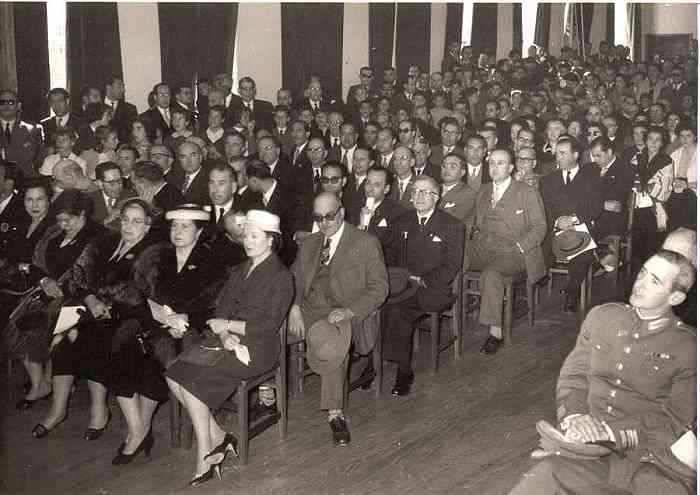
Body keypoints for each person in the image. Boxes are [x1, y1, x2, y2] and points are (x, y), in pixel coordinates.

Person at [509, 249, 696, 495]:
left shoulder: (688, 347)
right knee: (539, 479)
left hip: (649, 460)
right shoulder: (602, 317)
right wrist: (575, 416)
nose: (640, 284)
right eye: (642, 273)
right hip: (589, 452)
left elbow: (673, 420)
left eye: (655, 281)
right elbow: (574, 376)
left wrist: (609, 432)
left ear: (675, 297)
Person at [165, 210, 293, 486]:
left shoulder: (281, 276)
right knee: (174, 373)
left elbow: (267, 326)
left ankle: (205, 453)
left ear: (271, 240)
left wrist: (229, 326)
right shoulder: (240, 270)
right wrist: (224, 334)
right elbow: (221, 307)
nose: (248, 242)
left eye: (255, 236)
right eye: (245, 236)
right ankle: (220, 436)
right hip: (224, 340)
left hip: (258, 348)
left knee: (192, 383)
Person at [110, 205, 226, 466]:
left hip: (193, 329)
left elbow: (215, 306)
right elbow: (135, 295)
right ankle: (137, 429)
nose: (178, 231)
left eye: (185, 226)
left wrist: (185, 319)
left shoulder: (210, 261)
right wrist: (157, 319)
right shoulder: (157, 256)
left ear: (199, 232)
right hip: (155, 324)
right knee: (122, 346)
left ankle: (213, 433)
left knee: (166, 358)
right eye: (175, 225)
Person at [32, 199, 155, 440]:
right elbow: (78, 274)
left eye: (137, 221)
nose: (129, 226)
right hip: (92, 307)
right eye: (125, 220)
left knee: (89, 339)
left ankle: (99, 411)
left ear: (148, 225)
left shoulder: (151, 252)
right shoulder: (107, 243)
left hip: (126, 317)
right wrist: (90, 298)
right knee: (64, 340)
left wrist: (104, 304)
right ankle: (57, 411)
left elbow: (139, 295)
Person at [289, 192, 388, 445]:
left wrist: (350, 311)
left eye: (330, 216)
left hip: (342, 312)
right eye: (318, 218)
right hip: (308, 310)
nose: (324, 223)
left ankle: (335, 413)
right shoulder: (309, 243)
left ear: (342, 213)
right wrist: (295, 306)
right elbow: (294, 280)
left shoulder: (365, 242)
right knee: (268, 326)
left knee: (330, 339)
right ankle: (267, 394)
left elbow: (380, 288)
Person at [9, 190, 106, 410]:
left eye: (67, 220)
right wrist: (44, 280)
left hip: (81, 299)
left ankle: (53, 379)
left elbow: (92, 279)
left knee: (56, 329)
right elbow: (36, 264)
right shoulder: (55, 232)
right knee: (22, 322)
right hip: (51, 295)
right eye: (59, 220)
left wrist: (62, 287)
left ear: (82, 214)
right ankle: (39, 384)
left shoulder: (98, 236)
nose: (63, 225)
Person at [383, 175, 465, 395]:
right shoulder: (402, 221)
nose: (419, 196)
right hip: (403, 283)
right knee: (377, 303)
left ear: (437, 196)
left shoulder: (452, 225)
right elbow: (390, 253)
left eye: (425, 192)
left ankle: (403, 371)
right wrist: (397, 276)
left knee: (398, 310)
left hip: (433, 288)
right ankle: (375, 363)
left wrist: (423, 280)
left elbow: (452, 265)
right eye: (415, 192)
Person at [463, 148, 547, 354]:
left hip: (512, 252)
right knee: (455, 253)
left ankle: (495, 333)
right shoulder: (483, 190)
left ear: (511, 168)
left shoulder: (527, 192)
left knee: (492, 274)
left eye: (501, 163)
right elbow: (472, 221)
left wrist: (519, 246)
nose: (495, 167)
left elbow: (540, 227)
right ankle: (448, 305)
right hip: (484, 246)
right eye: (491, 163)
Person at [540, 138, 603, 312]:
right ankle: (531, 291)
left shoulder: (591, 179)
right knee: (538, 248)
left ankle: (572, 293)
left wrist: (574, 219)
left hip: (579, 227)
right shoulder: (548, 180)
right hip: (555, 228)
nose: (557, 158)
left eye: (562, 154)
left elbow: (595, 207)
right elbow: (544, 208)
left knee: (582, 252)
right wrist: (557, 221)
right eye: (557, 153)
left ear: (575, 155)